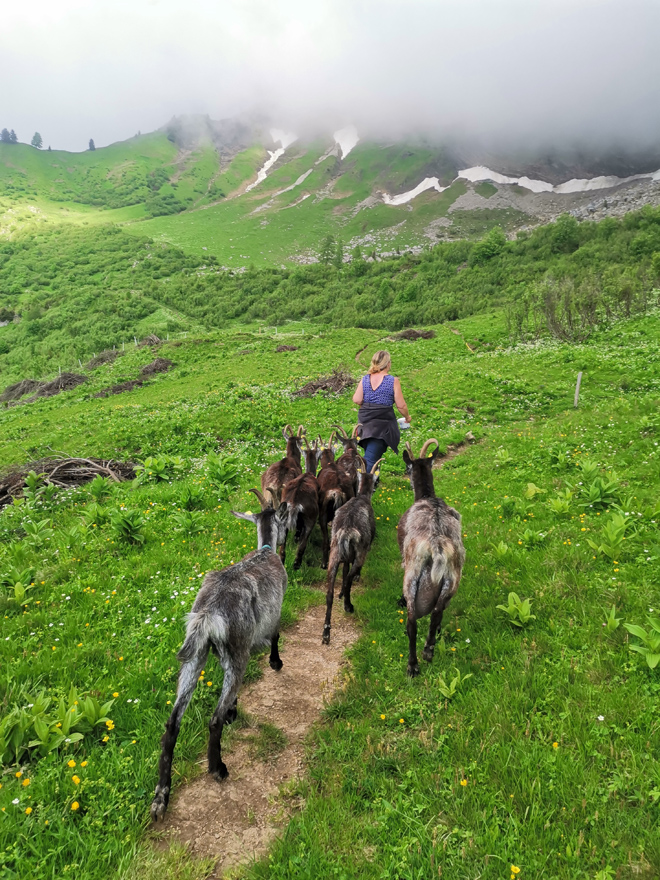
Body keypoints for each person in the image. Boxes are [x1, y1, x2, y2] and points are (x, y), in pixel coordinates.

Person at [352, 350, 411, 473]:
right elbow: (401, 406)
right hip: (381, 427)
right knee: (369, 461)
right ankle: (360, 487)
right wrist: (407, 417)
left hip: (365, 425)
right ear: (388, 364)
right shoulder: (392, 381)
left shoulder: (365, 379)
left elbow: (357, 399)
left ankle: (373, 482)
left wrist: (369, 405)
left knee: (372, 454)